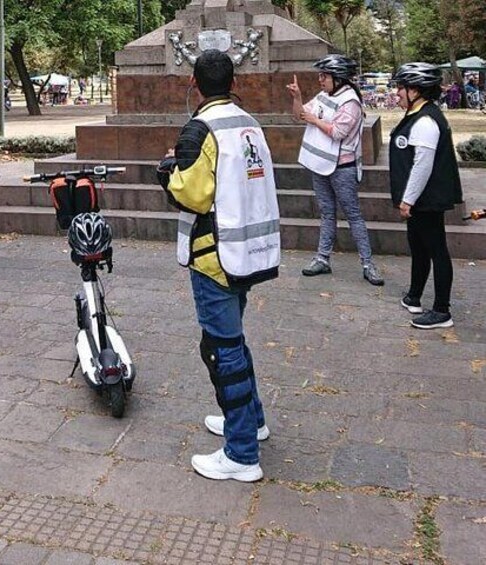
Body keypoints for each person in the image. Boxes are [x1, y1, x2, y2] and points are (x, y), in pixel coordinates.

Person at [156, 50, 281, 483]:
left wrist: (168, 169)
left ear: (193, 81)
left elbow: (190, 194)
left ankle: (241, 453)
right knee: (233, 340)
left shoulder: (201, 129)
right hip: (247, 253)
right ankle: (251, 421)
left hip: (215, 257)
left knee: (221, 349)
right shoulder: (248, 122)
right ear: (232, 81)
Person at [287, 55, 384, 286]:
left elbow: (338, 132)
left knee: (353, 215)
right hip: (320, 166)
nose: (320, 80)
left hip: (342, 168)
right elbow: (298, 116)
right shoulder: (324, 96)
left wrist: (313, 119)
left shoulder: (350, 102)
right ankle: (322, 258)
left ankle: (368, 264)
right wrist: (298, 98)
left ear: (338, 78)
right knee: (327, 213)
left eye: (325, 76)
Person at [390, 62, 463, 329]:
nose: (397, 92)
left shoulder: (426, 121)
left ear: (416, 90)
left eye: (401, 87)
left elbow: (422, 165)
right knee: (419, 248)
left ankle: (442, 311)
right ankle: (414, 296)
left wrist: (408, 199)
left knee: (436, 251)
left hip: (427, 200)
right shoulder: (417, 114)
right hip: (421, 199)